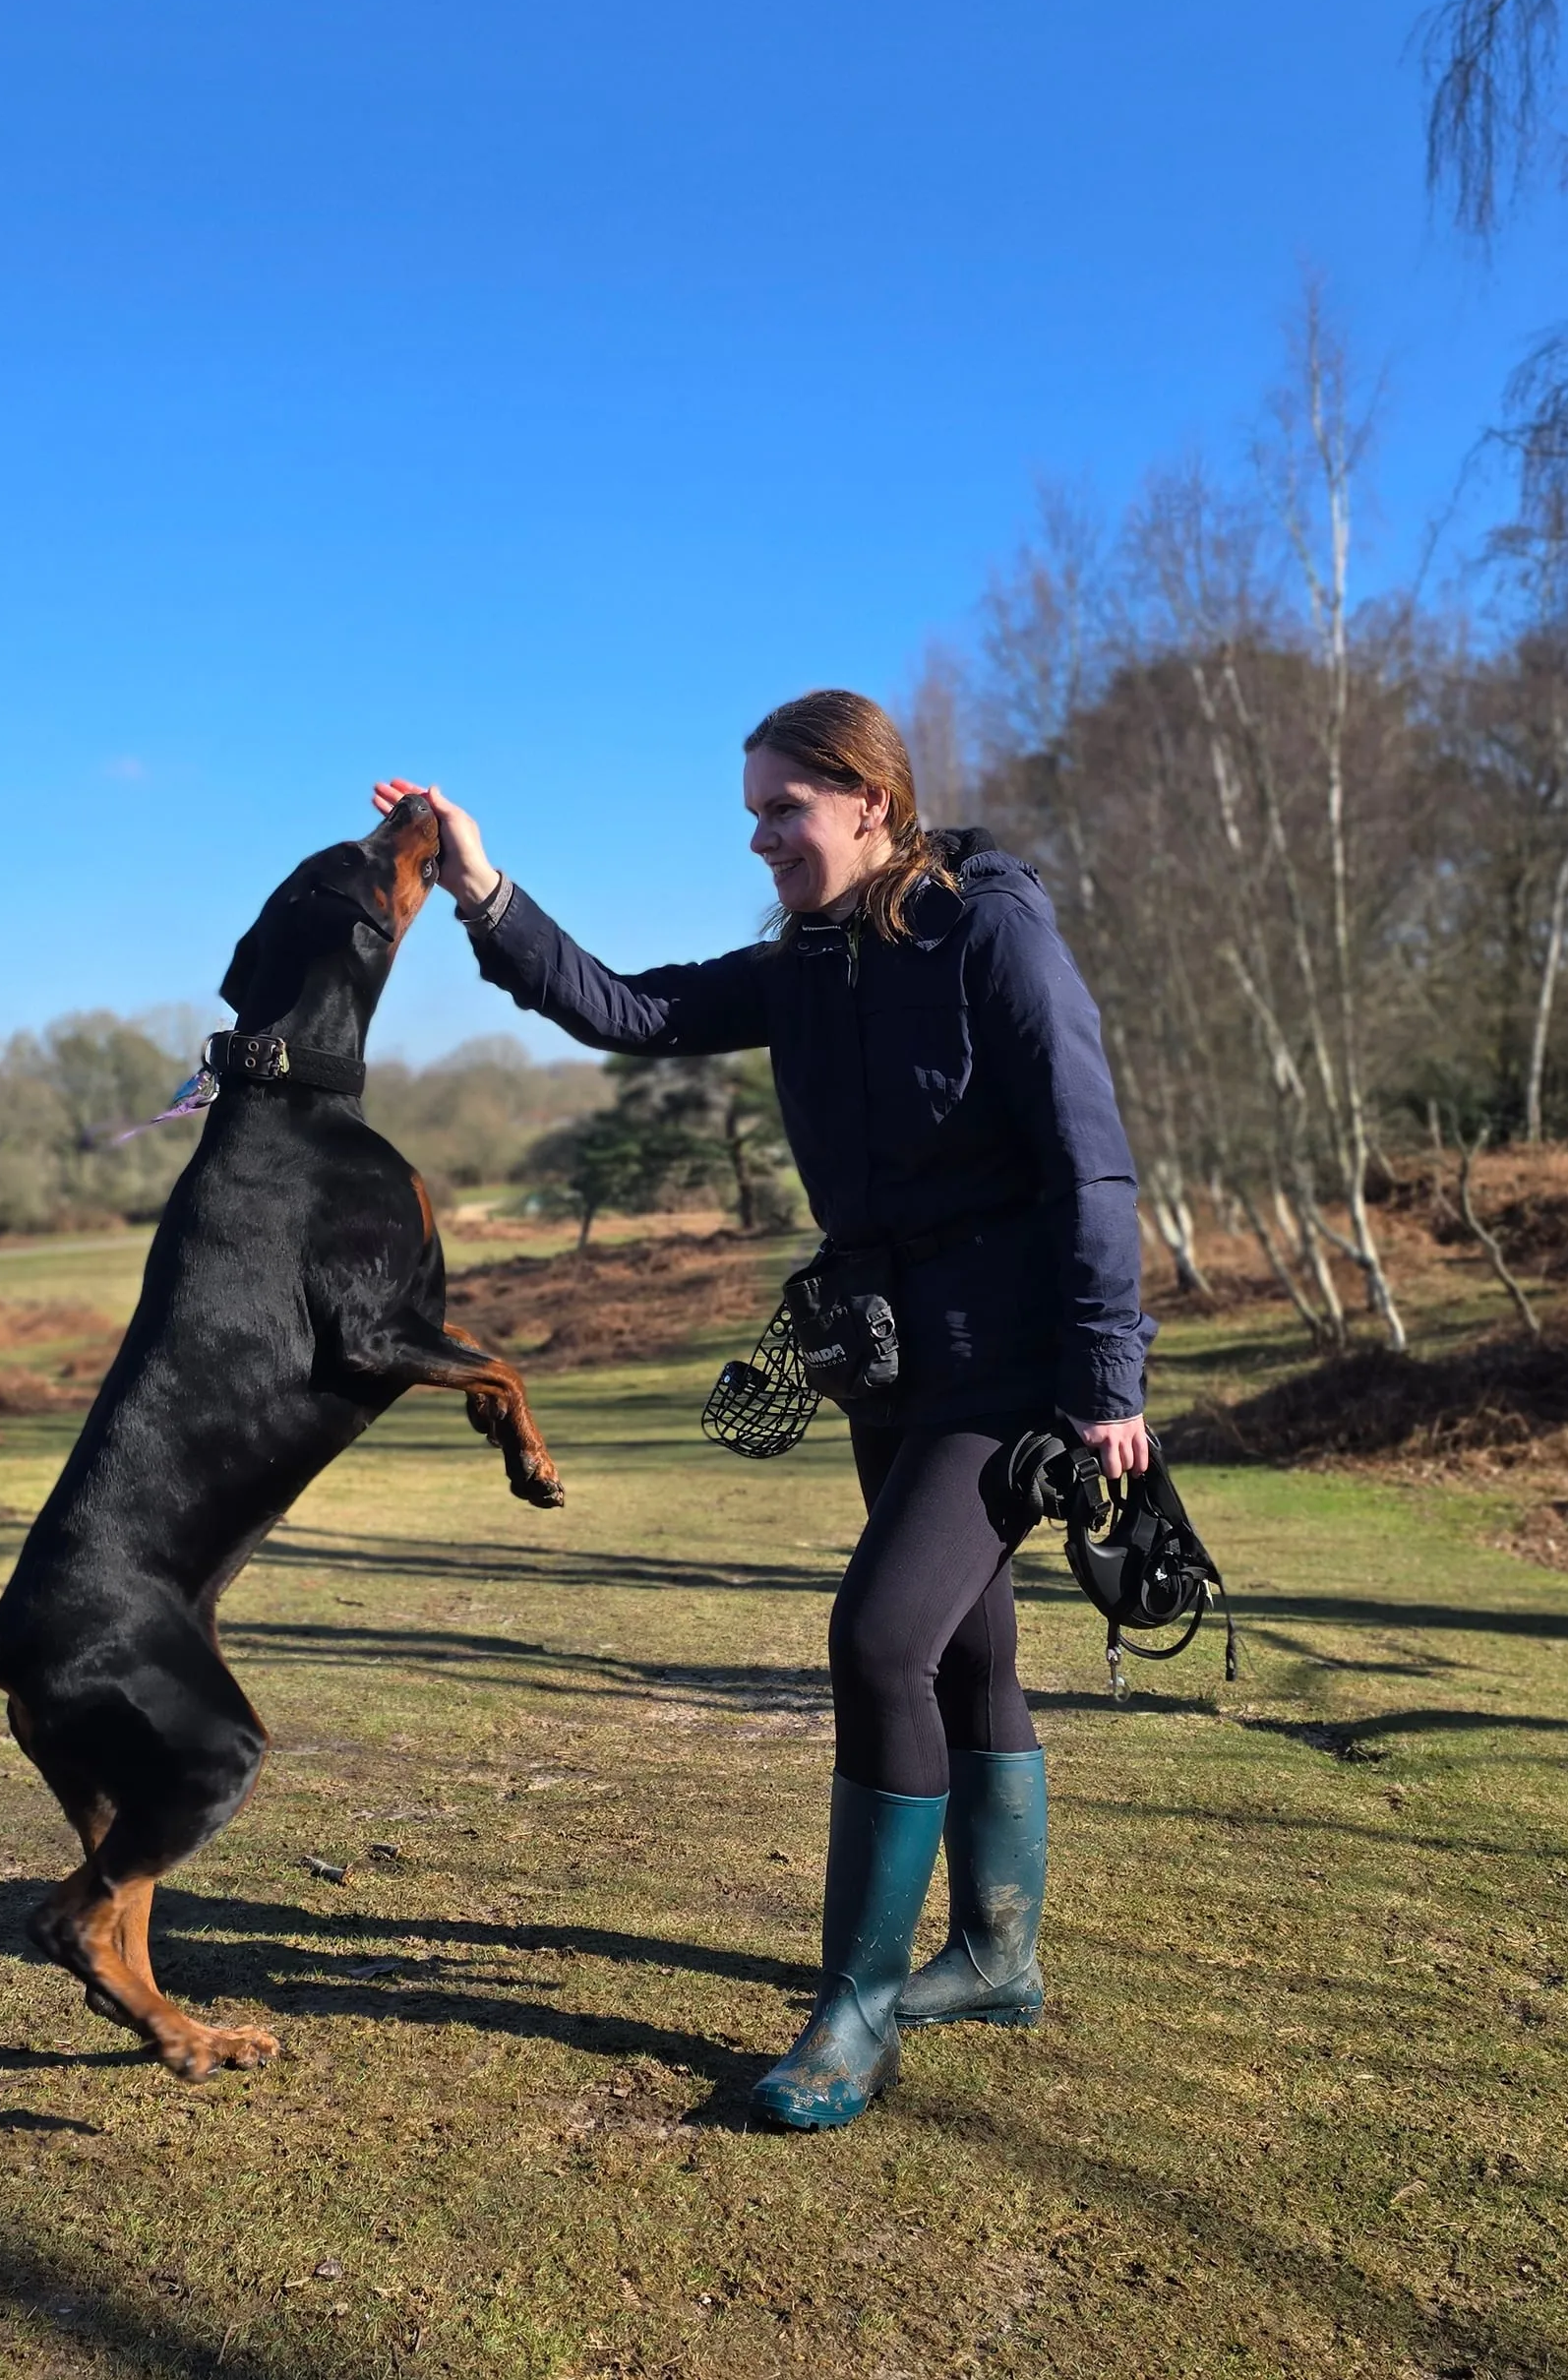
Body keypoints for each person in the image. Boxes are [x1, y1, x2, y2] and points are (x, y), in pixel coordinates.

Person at [370, 690, 1151, 2131]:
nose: (763, 842)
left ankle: (854, 2011)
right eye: (751, 819)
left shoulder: (991, 930)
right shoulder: (807, 962)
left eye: (783, 811)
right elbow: (628, 1008)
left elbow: (1089, 1163)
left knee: (877, 1638)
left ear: (872, 801)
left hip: (1008, 1367)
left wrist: (1107, 1382)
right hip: (886, 1359)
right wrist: (483, 885)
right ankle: (995, 1954)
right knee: (968, 1656)